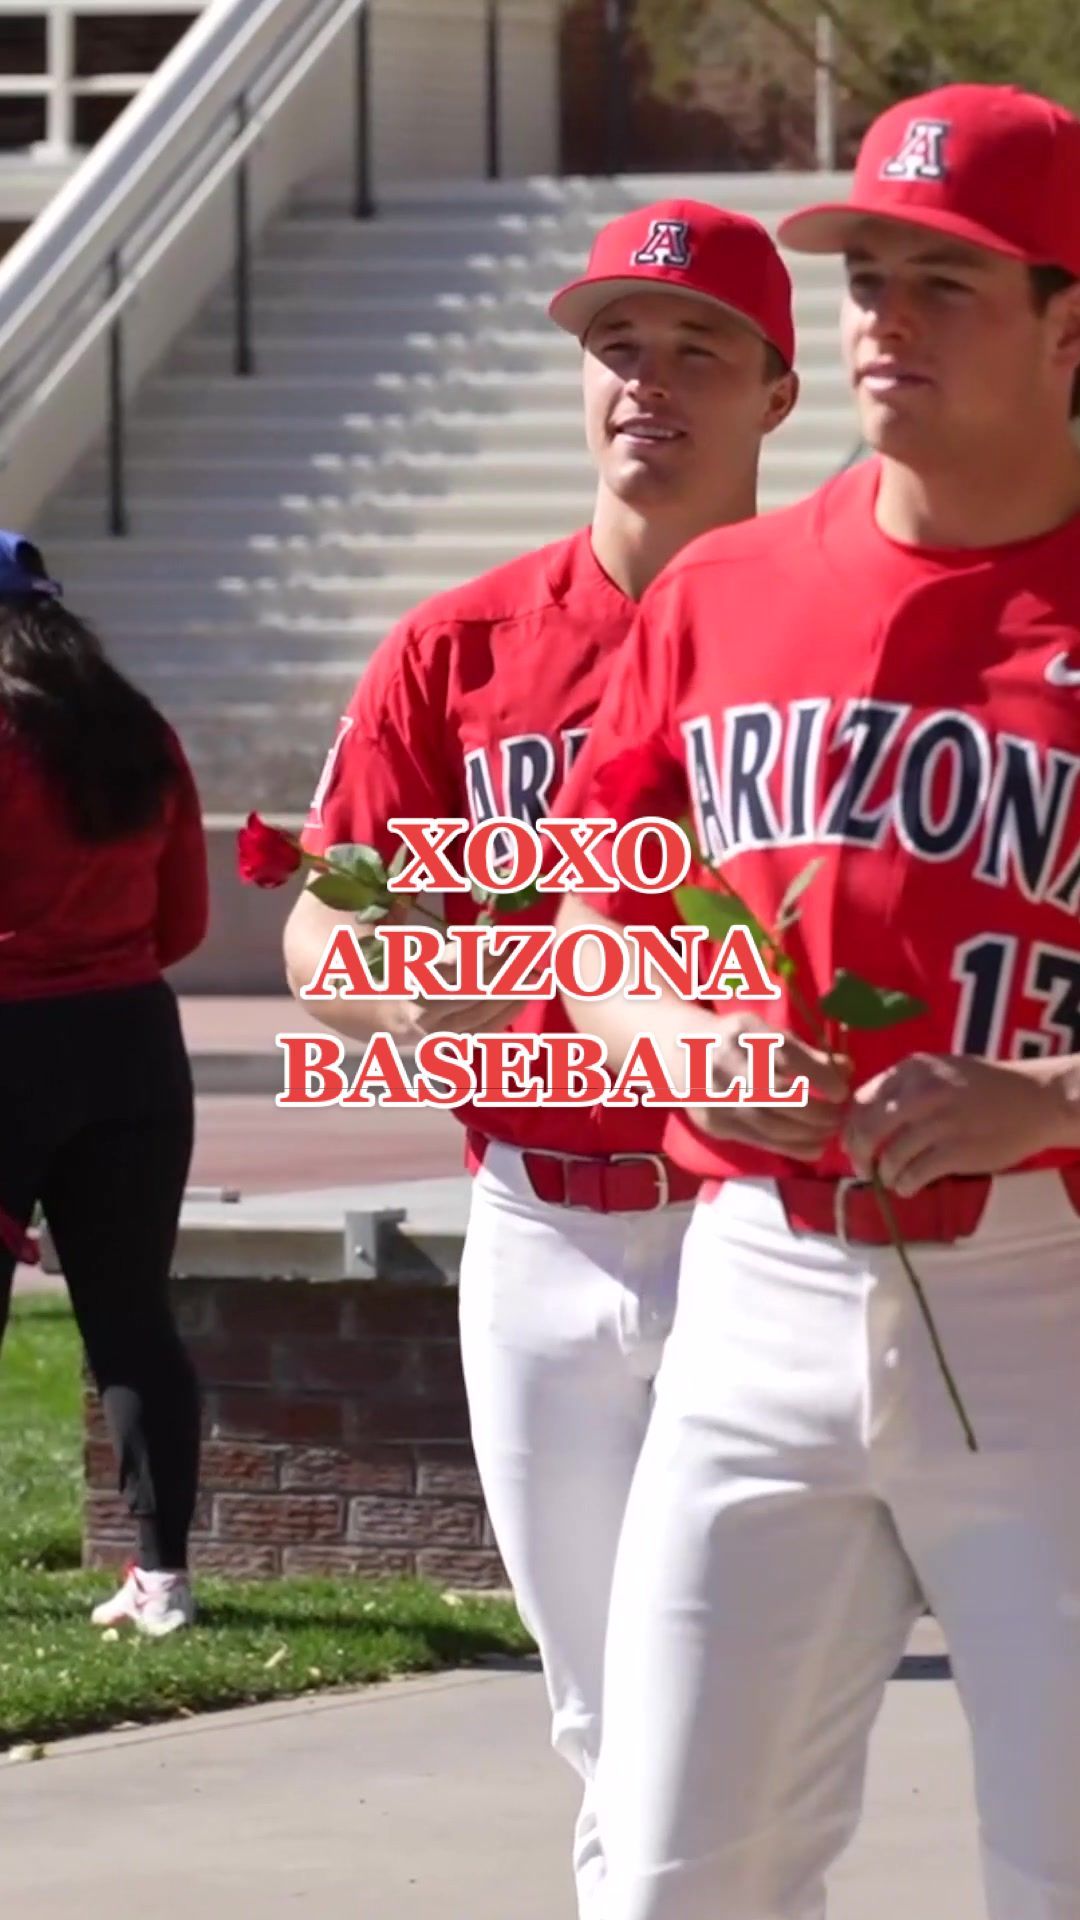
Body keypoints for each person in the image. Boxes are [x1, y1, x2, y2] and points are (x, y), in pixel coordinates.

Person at [552, 81, 1080, 1920]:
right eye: (867, 276)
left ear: (1068, 322)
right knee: (675, 1869)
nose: (884, 319)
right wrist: (690, 1038)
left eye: (946, 282)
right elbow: (596, 917)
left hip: (1050, 1295)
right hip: (758, 1285)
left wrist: (1059, 1093)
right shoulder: (727, 589)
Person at [281, 200, 797, 1913]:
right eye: (615, 350)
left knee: (736, 1724)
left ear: (778, 392)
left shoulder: (820, 637)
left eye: (694, 350)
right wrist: (400, 988)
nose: (646, 385)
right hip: (537, 1230)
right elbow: (322, 930)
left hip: (751, 1236)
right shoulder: (462, 646)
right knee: (604, 1723)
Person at [0, 532, 209, 1638]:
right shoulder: (138, 733)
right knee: (131, 1319)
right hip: (131, 1041)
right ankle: (163, 1578)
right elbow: (184, 923)